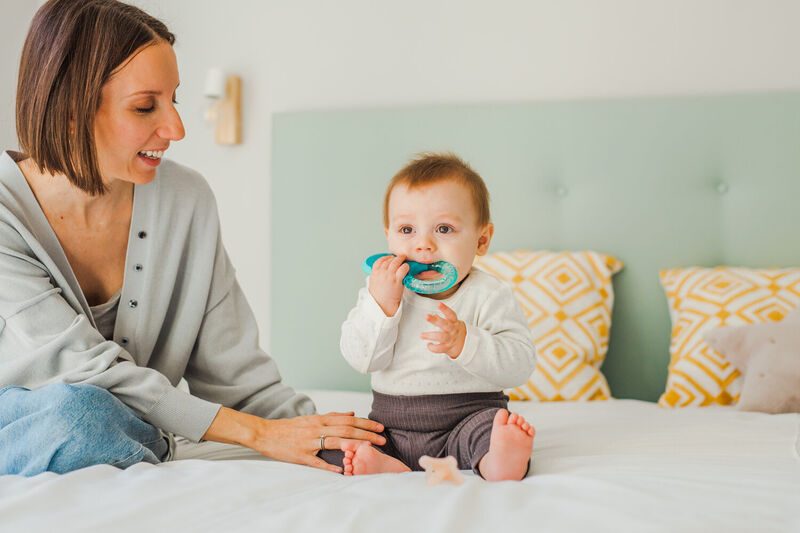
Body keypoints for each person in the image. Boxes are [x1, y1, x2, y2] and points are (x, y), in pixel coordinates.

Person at [0, 0, 384, 477]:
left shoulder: (186, 199)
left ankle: (144, 443)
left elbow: (238, 378)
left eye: (174, 99)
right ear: (71, 112)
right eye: (145, 106)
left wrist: (339, 434)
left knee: (99, 418)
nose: (176, 129)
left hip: (129, 431)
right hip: (26, 420)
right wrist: (257, 435)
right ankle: (147, 442)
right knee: (80, 414)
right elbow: (80, 370)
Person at [334, 152, 537, 481]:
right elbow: (361, 359)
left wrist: (466, 342)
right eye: (407, 229)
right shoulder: (380, 290)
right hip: (393, 424)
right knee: (343, 443)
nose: (423, 245)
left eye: (443, 229)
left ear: (482, 239)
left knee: (488, 431)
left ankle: (499, 458)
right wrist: (382, 307)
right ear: (388, 235)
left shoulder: (489, 294)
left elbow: (521, 364)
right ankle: (388, 462)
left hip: (468, 417)